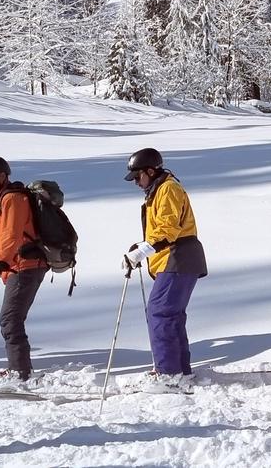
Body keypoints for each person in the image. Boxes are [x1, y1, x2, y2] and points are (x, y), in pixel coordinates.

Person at [121, 148, 207, 391]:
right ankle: (179, 371)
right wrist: (142, 246)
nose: (136, 182)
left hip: (179, 257)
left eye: (138, 176)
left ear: (150, 170)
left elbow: (168, 229)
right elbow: (162, 228)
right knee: (171, 315)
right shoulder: (158, 190)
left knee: (159, 313)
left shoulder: (168, 188)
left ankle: (168, 374)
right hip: (178, 258)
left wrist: (143, 251)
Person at [0, 156, 48, 382]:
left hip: (25, 266)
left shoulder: (13, 199)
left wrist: (2, 259)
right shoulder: (4, 199)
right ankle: (19, 369)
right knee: (12, 318)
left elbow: (12, 234)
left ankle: (20, 372)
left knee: (10, 319)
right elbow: (8, 234)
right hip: (19, 265)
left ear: (2, 176)